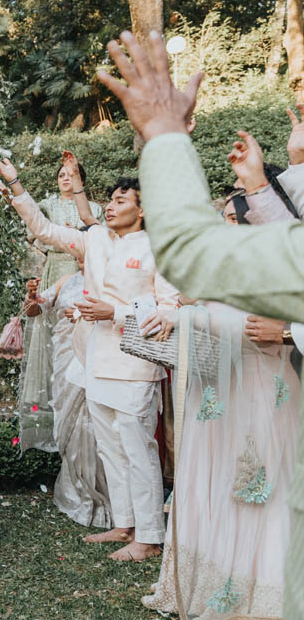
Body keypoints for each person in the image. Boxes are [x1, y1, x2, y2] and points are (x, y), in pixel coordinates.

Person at [94, 29, 304, 616]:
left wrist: (163, 133)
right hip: (225, 394)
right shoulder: (269, 242)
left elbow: (192, 255)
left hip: (272, 393)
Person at [0, 155, 180, 561]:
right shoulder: (93, 239)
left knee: (137, 449)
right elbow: (42, 229)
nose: (110, 206)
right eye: (109, 200)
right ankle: (125, 524)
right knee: (111, 447)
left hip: (135, 364)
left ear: (143, 209)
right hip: (96, 360)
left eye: (120, 201)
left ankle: (149, 537)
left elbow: (170, 308)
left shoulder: (157, 249)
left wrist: (118, 313)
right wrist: (16, 183)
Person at [143, 183, 301, 618]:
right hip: (216, 397)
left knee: (254, 493)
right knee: (211, 487)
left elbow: (254, 332)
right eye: (226, 220)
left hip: (259, 395)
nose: (230, 229)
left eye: (239, 220)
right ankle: (207, 576)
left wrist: (187, 316)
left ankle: (259, 591)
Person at [19, 152, 104, 451]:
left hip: (91, 272)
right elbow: (36, 231)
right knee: (51, 327)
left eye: (70, 174)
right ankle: (54, 394)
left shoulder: (94, 210)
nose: (65, 178)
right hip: (58, 269)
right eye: (60, 175)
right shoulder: (48, 205)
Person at [22, 260, 112, 529]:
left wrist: (84, 317)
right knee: (68, 421)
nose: (81, 257)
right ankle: (74, 489)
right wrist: (31, 296)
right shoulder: (66, 281)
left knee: (94, 421)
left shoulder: (108, 279)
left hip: (95, 355)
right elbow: (35, 309)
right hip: (64, 356)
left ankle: (104, 491)